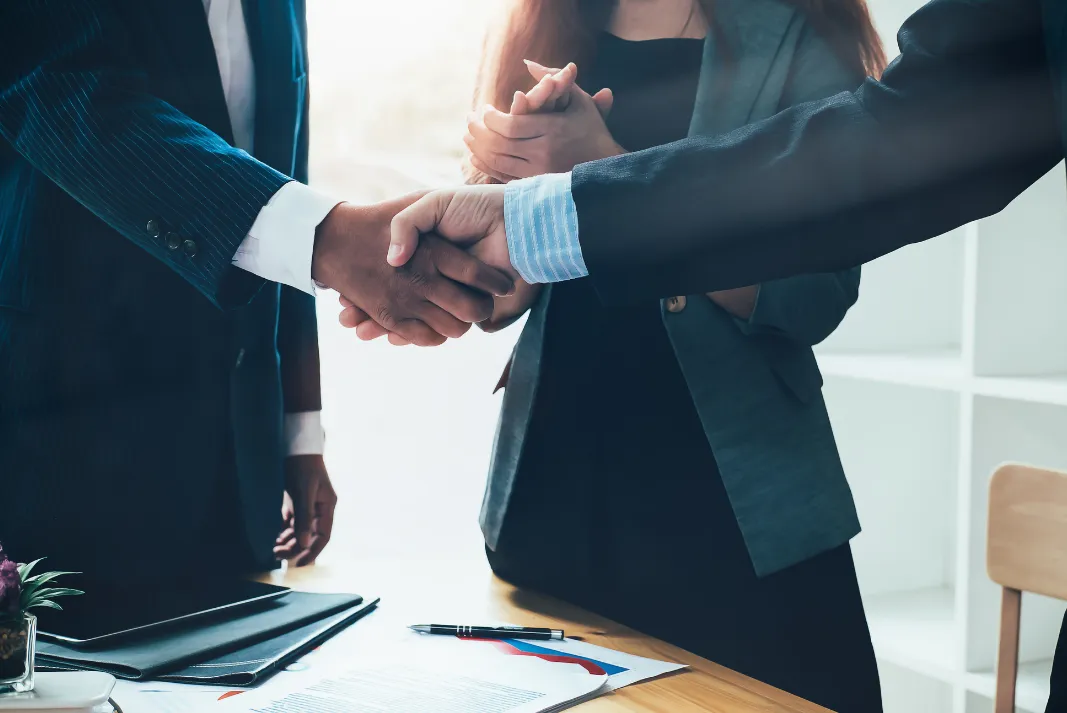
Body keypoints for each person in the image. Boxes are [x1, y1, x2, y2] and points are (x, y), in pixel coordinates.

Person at [377, 0, 1067, 709]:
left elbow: (810, 299)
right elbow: (522, 260)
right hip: (554, 497)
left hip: (735, 520)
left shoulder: (801, 29)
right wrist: (468, 281)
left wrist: (600, 170)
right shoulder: (540, 20)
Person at [0, 0, 513, 577]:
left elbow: (281, 194)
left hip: (236, 460)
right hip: (67, 436)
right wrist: (333, 239)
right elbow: (67, 101)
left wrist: (298, 430)